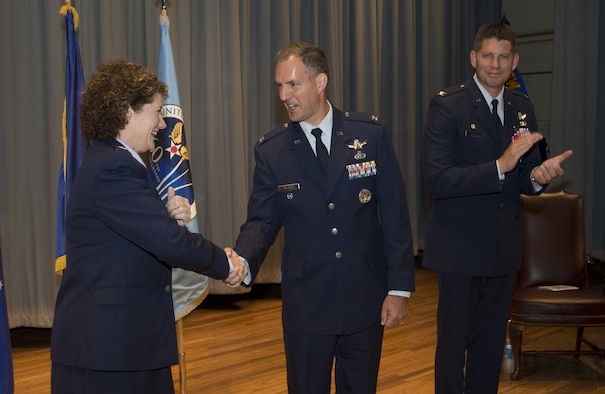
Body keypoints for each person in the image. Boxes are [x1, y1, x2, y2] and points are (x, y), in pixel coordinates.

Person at [50, 59, 247, 394]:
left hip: (122, 344)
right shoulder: (114, 168)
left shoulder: (113, 161)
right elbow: (168, 242)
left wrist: (165, 217)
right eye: (156, 112)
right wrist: (227, 264)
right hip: (109, 350)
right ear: (128, 112)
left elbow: (131, 238)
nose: (161, 123)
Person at [232, 42, 416, 393]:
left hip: (365, 297)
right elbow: (262, 221)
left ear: (320, 83)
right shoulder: (272, 151)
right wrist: (242, 260)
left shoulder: (369, 135)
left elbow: (394, 215)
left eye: (293, 84)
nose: (284, 95)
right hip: (307, 303)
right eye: (279, 86)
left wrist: (398, 288)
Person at [422, 23, 573, 393]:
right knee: (453, 348)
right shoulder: (448, 105)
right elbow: (437, 180)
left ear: (514, 61)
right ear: (474, 58)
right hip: (459, 251)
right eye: (488, 55)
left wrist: (539, 175)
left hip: (504, 251)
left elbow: (523, 178)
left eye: (503, 56)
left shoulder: (523, 108)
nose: (495, 63)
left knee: (490, 348)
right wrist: (498, 166)